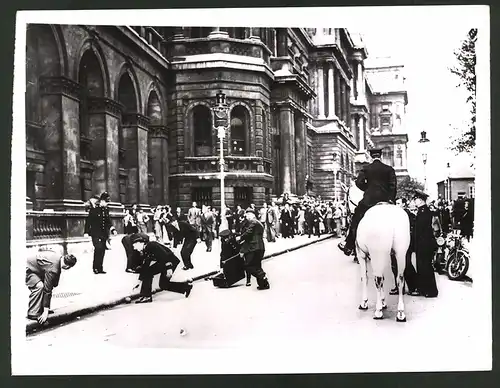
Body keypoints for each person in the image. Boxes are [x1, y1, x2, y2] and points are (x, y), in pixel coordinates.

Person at [338, 149, 397, 256]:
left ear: (371, 157)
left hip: (369, 200)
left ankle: (349, 245)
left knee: (356, 218)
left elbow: (358, 183)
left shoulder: (366, 169)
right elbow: (393, 186)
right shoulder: (389, 169)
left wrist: (368, 189)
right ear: (381, 156)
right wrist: (390, 199)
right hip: (385, 200)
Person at [131, 234, 193, 303]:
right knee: (154, 277)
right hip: (163, 262)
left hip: (170, 261)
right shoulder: (145, 250)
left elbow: (165, 255)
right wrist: (139, 281)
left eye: (134, 246)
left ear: (140, 243)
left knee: (157, 280)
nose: (134, 248)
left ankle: (147, 296)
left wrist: (169, 269)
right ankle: (185, 287)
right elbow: (146, 266)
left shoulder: (152, 245)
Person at [26, 247, 77, 324]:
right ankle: (32, 313)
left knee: (44, 284)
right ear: (67, 267)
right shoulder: (53, 268)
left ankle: (40, 309)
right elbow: (48, 290)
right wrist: (46, 312)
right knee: (40, 286)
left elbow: (54, 283)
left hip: (35, 268)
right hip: (27, 269)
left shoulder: (59, 258)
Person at [389, 198, 418, 296]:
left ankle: (413, 287)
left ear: (404, 204)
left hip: (405, 244)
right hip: (394, 244)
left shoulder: (409, 215)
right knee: (394, 266)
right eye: (395, 203)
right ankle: (398, 287)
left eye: (398, 203)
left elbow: (412, 231)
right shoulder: (393, 216)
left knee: (407, 265)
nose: (396, 205)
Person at [413, 190, 439, 298]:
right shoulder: (422, 211)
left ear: (420, 200)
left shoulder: (424, 212)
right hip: (423, 244)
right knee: (422, 266)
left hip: (424, 244)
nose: (415, 201)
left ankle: (431, 291)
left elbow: (421, 230)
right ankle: (424, 289)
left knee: (426, 267)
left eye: (416, 199)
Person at [237, 207, 270, 290]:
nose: (246, 217)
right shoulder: (258, 223)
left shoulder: (253, 222)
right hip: (260, 247)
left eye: (247, 215)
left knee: (248, 266)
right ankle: (263, 284)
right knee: (257, 265)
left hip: (254, 247)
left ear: (251, 215)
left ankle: (262, 276)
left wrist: (240, 238)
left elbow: (248, 233)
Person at [84, 192, 117, 274]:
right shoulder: (94, 210)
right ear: (102, 201)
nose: (106, 204)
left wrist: (113, 229)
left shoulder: (106, 210)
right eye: (106, 202)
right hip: (95, 233)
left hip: (103, 234)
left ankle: (100, 268)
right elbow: (88, 222)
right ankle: (95, 267)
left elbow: (108, 222)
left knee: (102, 250)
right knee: (98, 249)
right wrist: (86, 232)